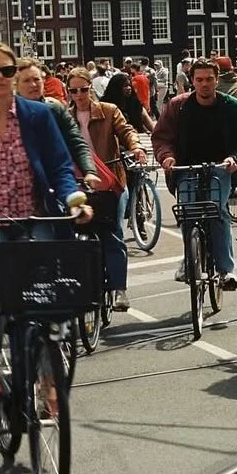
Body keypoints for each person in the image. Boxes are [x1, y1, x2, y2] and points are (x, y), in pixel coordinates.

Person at [0, 42, 90, 402]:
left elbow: (59, 164)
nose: (0, 78)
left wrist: (74, 199)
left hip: (33, 216)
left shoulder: (37, 115)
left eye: (7, 71)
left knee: (50, 287)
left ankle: (49, 375)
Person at [151, 59, 237, 290]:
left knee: (217, 211)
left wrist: (235, 159)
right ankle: (189, 260)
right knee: (187, 212)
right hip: (186, 167)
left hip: (220, 167)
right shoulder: (178, 106)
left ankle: (226, 270)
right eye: (199, 80)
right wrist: (167, 157)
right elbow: (161, 137)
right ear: (192, 81)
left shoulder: (232, 106)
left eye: (209, 79)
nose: (204, 84)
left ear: (217, 80)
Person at [66, 67, 147, 311]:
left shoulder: (109, 111)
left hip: (110, 181)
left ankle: (119, 289)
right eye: (73, 91)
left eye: (83, 89)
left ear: (90, 88)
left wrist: (135, 147)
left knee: (112, 234)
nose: (79, 95)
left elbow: (126, 131)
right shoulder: (65, 117)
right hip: (78, 183)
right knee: (72, 235)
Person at [15, 57, 100, 189]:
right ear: (16, 85)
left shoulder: (55, 109)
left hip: (56, 183)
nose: (33, 85)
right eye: (26, 80)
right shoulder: (9, 114)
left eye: (37, 79)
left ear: (44, 81)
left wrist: (89, 171)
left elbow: (76, 142)